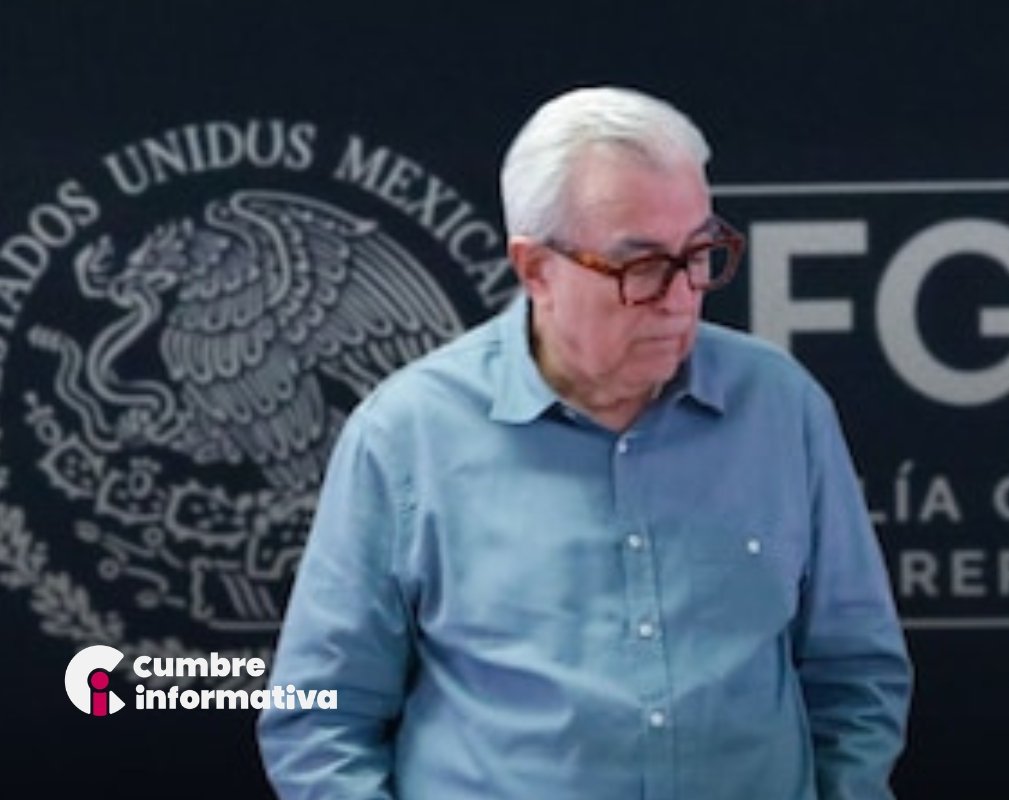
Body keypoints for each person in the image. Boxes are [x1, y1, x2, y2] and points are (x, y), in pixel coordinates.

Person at [258, 85, 912, 799]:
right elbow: (319, 717)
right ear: (536, 268)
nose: (681, 297)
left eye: (699, 253)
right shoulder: (407, 435)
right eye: (642, 266)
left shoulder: (781, 407)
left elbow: (856, 675)